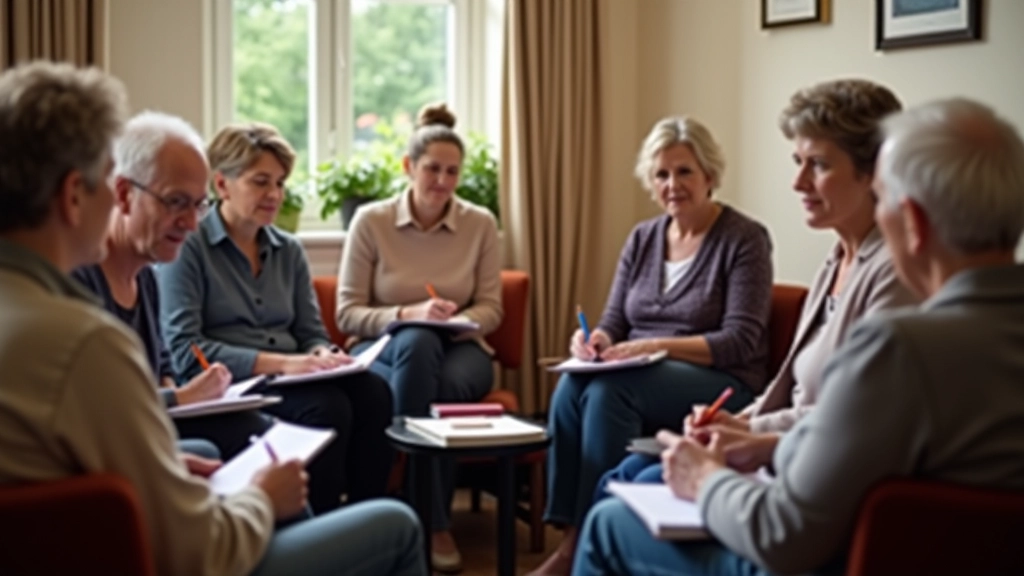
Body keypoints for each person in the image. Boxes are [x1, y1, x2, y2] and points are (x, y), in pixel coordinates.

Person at [0, 60, 425, 576]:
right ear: (75, 195)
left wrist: (161, 471)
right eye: (103, 184)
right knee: (397, 524)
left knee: (238, 439)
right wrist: (261, 500)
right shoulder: (81, 340)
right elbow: (197, 553)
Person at [572, 98, 1024, 576]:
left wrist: (707, 479)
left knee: (609, 523)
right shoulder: (860, 283)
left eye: (883, 197)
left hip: (831, 557)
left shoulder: (899, 347)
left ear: (912, 222)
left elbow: (784, 535)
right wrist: (759, 438)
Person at [595, 79, 918, 494]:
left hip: (810, 471)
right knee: (624, 473)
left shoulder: (896, 272)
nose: (797, 183)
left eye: (817, 164)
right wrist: (738, 422)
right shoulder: (836, 260)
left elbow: (855, 419)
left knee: (629, 487)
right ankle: (572, 539)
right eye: (797, 162)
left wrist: (751, 437)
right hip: (780, 438)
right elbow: (794, 393)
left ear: (874, 171)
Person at [530, 116, 774, 575]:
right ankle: (571, 537)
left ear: (710, 175)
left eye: (684, 171)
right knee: (570, 389)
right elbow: (617, 320)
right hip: (642, 373)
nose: (672, 184)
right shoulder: (643, 238)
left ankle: (585, 543)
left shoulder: (744, 239)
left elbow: (740, 341)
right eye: (662, 174)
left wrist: (653, 347)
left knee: (610, 390)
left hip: (724, 385)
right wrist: (595, 340)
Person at [157, 121, 394, 515]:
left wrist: (323, 354)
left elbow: (310, 333)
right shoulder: (190, 246)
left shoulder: (290, 250)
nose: (274, 195)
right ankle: (317, 531)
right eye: (261, 182)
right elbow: (186, 349)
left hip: (296, 375)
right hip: (232, 387)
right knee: (326, 407)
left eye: (280, 183)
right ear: (222, 185)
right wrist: (287, 363)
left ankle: (365, 518)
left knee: (374, 391)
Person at [336, 102, 502, 572]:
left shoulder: (480, 224)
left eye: (452, 171)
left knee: (437, 366)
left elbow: (492, 307)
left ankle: (404, 509)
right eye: (432, 169)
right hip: (384, 350)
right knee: (418, 343)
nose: (443, 182)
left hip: (462, 350)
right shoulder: (371, 221)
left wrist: (457, 319)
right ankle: (431, 520)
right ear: (408, 166)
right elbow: (347, 314)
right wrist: (410, 313)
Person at [72, 111, 272, 458]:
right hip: (114, 454)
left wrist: (183, 394)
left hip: (146, 434)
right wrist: (181, 397)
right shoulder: (78, 281)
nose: (192, 224)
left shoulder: (146, 278)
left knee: (256, 429)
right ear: (123, 194)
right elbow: (90, 410)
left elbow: (163, 369)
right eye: (176, 202)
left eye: (199, 206)